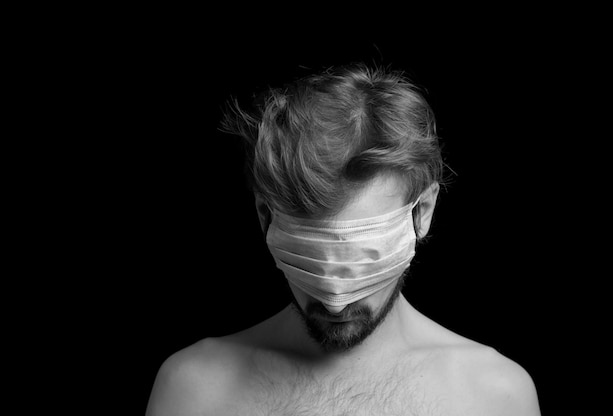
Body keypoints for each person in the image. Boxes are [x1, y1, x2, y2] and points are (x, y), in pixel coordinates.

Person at [146, 64, 541, 415]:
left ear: (422, 212)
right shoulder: (193, 391)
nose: (336, 301)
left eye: (365, 257)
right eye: (309, 256)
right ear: (264, 215)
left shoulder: (494, 396)